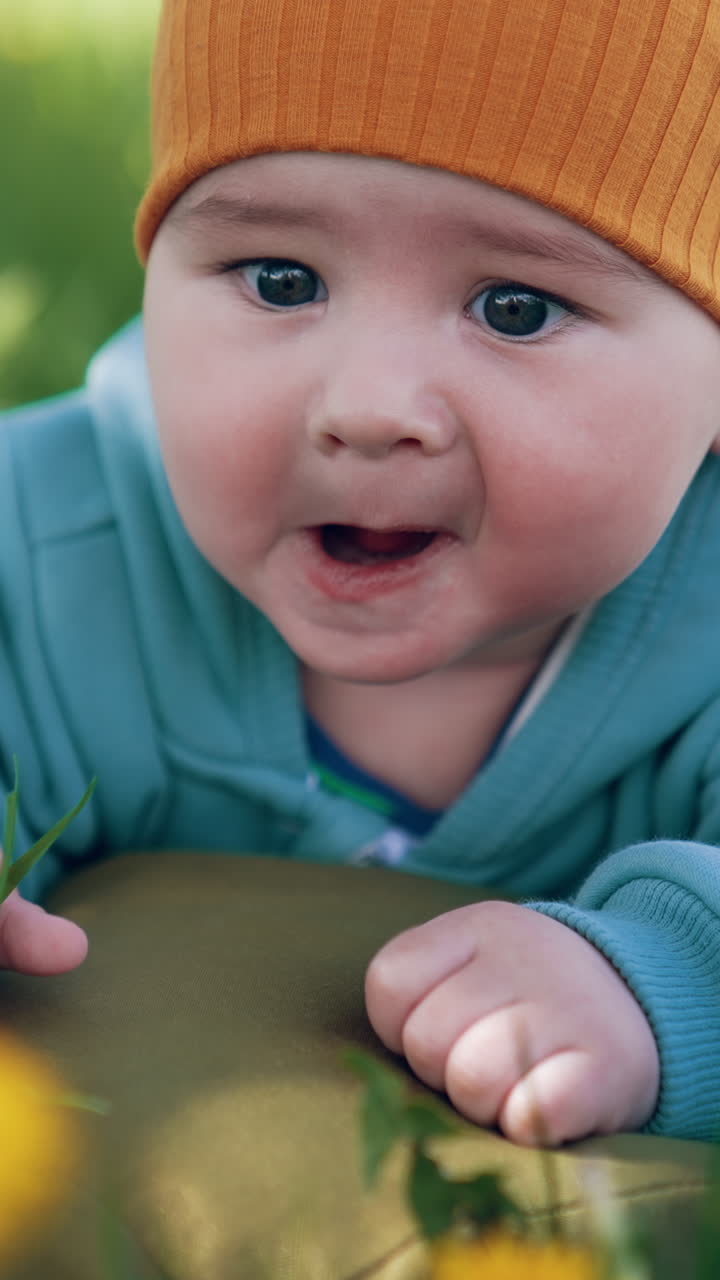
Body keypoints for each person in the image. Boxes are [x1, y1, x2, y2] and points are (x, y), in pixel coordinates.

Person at [1, 0, 720, 1149]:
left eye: (515, 308)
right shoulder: (57, 536)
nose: (370, 406)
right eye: (281, 279)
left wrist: (658, 982)